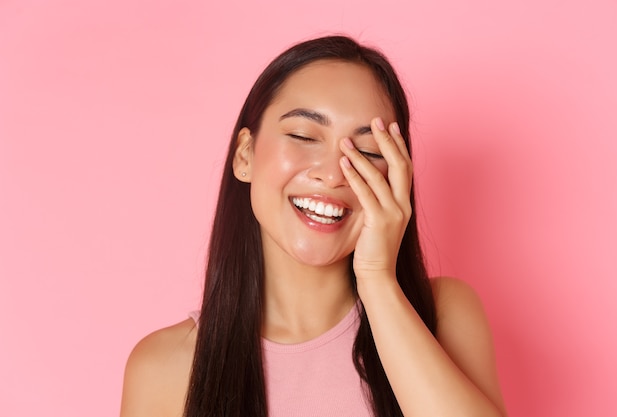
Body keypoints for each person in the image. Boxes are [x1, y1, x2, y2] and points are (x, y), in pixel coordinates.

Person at [120, 35, 507, 417]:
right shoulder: (164, 367)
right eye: (304, 136)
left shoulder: (441, 314)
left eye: (369, 153)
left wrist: (377, 281)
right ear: (244, 156)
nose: (332, 174)